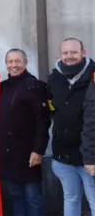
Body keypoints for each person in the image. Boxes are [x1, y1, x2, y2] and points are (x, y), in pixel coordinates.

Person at [0, 48, 50, 216]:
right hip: (7, 153)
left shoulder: (36, 86)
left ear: (25, 63)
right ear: (6, 65)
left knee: (32, 197)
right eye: (10, 62)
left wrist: (39, 150)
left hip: (28, 152)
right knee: (15, 196)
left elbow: (43, 121)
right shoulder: (1, 88)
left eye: (18, 61)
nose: (14, 65)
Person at [48, 38, 95, 215]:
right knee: (71, 198)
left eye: (74, 52)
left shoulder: (94, 76)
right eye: (65, 53)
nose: (69, 56)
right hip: (63, 157)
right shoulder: (53, 78)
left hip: (90, 157)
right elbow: (52, 110)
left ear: (83, 53)